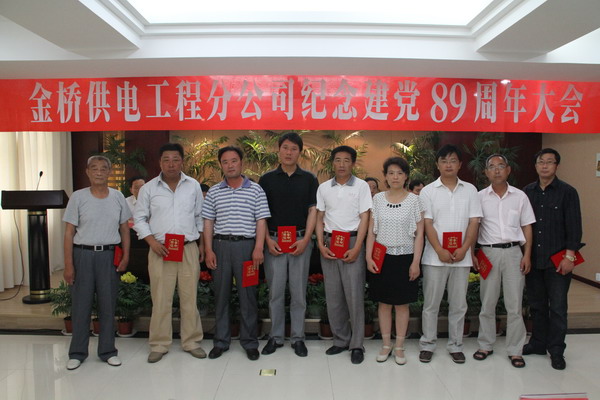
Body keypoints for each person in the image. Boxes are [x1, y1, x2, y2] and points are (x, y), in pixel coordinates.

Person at [133, 143, 206, 363]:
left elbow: (200, 217)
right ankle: (159, 344)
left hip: (188, 248)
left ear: (182, 161)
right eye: (166, 160)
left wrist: (201, 245)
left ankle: (191, 341)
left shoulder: (193, 186)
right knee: (161, 299)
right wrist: (151, 242)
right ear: (160, 162)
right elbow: (139, 218)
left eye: (175, 159)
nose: (171, 164)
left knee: (189, 298)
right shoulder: (148, 188)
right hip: (160, 249)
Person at [202, 146, 271, 361]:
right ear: (220, 165)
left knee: (248, 296)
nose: (230, 165)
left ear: (242, 163)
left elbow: (261, 220)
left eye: (234, 161)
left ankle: (249, 342)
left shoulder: (256, 190)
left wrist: (258, 248)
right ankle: (221, 341)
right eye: (225, 162)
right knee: (221, 296)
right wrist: (209, 249)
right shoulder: (214, 191)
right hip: (221, 247)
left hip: (246, 248)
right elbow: (208, 222)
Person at [63, 155, 131, 370]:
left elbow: (125, 229)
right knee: (80, 305)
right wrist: (68, 264)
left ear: (109, 172)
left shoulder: (118, 197)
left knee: (108, 305)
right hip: (82, 255)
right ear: (87, 172)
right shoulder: (78, 197)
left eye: (103, 168)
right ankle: (77, 352)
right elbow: (69, 232)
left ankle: (108, 351)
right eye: (94, 168)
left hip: (108, 256)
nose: (99, 172)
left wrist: (126, 256)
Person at [418, 144, 482, 364]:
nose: (448, 165)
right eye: (444, 161)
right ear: (437, 164)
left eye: (453, 160)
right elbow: (427, 223)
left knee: (458, 305)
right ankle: (427, 344)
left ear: (460, 164)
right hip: (434, 258)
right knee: (431, 304)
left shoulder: (470, 190)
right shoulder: (428, 191)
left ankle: (456, 345)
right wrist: (439, 249)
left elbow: (474, 221)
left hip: (461, 258)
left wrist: (464, 249)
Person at [472, 154, 535, 368]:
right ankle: (485, 345)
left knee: (514, 305)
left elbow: (527, 226)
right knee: (487, 302)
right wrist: (472, 253)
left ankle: (515, 350)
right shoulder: (479, 197)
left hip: (514, 252)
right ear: (486, 172)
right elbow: (474, 227)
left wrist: (527, 254)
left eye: (501, 166)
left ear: (508, 170)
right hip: (488, 253)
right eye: (492, 167)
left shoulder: (520, 196)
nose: (497, 170)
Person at [522, 148, 583, 370]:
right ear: (535, 166)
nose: (545, 166)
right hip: (534, 259)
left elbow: (574, 227)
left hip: (558, 260)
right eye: (541, 162)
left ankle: (556, 350)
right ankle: (538, 343)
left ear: (557, 165)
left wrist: (570, 256)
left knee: (557, 307)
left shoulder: (568, 192)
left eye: (550, 162)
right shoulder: (527, 192)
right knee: (537, 305)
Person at [258, 132, 318, 357]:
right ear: (279, 150)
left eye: (294, 148)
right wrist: (267, 240)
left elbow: (313, 210)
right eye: (285, 148)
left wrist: (306, 239)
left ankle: (298, 338)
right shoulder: (267, 179)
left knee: (298, 292)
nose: (289, 152)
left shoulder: (309, 179)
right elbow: (261, 214)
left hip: (300, 241)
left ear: (300, 152)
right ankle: (275, 337)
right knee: (275, 292)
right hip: (273, 241)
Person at [316, 145, 372, 364]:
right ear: (332, 163)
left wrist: (357, 247)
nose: (341, 164)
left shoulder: (361, 186)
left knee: (354, 295)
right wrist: (320, 244)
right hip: (330, 243)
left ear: (353, 163)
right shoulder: (323, 188)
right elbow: (319, 217)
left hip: (352, 241)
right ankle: (340, 340)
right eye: (338, 160)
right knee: (333, 295)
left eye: (346, 160)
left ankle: (357, 344)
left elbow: (365, 217)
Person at [366, 157, 424, 365]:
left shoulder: (414, 200)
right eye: (391, 173)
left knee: (401, 304)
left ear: (406, 176)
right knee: (383, 303)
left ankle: (399, 346)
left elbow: (420, 234)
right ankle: (385, 344)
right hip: (381, 257)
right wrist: (368, 257)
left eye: (400, 173)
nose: (395, 177)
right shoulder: (378, 199)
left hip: (405, 257)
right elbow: (371, 232)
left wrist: (415, 262)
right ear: (385, 176)